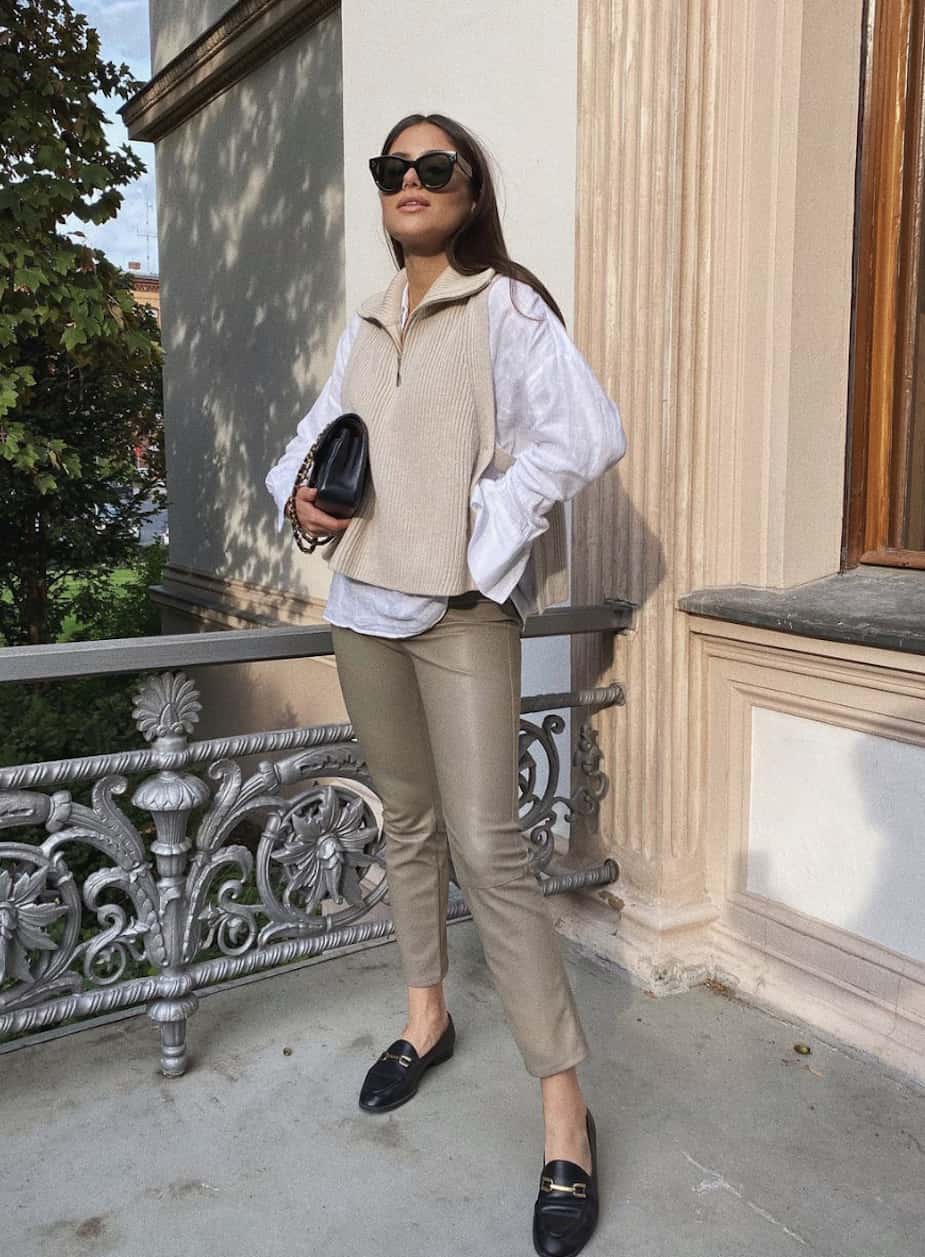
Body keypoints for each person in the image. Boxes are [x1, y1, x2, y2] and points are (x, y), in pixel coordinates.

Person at [265, 111, 626, 1257]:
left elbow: (584, 435)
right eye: (394, 170)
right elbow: (316, 433)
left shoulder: (506, 304)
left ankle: (564, 1113)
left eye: (435, 167)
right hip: (362, 608)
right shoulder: (370, 320)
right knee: (407, 824)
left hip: (462, 613)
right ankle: (426, 1019)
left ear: (468, 190)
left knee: (491, 849)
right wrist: (300, 499)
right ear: (382, 193)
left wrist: (485, 536)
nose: (411, 183)